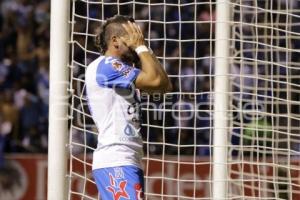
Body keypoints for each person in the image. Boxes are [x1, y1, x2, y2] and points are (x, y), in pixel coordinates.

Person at [85, 15, 172, 200]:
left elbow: (164, 85)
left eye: (138, 38)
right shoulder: (107, 65)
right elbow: (156, 80)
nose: (135, 43)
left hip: (125, 157)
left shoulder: (122, 70)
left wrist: (143, 47)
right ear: (115, 41)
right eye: (131, 38)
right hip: (116, 156)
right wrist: (141, 48)